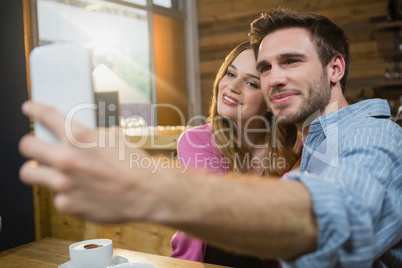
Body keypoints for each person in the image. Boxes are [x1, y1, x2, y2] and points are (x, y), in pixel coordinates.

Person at [18, 8, 401, 268]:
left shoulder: (369, 132)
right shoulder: (315, 138)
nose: (274, 78)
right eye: (265, 68)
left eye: (292, 61)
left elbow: (342, 225)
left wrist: (148, 186)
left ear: (336, 68)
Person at [171, 41, 300, 268]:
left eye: (251, 83)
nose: (233, 86)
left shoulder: (295, 147)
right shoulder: (196, 141)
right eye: (230, 74)